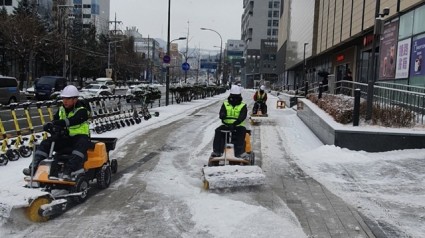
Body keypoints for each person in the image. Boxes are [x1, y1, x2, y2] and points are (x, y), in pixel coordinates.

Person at [23, 85, 91, 180]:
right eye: (63, 98)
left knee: (80, 146)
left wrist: (59, 123)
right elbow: (55, 120)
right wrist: (50, 125)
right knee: (47, 142)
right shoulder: (61, 109)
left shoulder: (82, 110)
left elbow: (73, 120)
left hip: (80, 137)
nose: (65, 101)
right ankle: (34, 166)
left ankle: (69, 170)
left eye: (68, 98)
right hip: (65, 138)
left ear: (75, 99)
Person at [211, 85, 248, 159]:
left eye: (236, 97)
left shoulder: (243, 105)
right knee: (218, 131)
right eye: (233, 96)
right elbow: (222, 113)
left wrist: (235, 123)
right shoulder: (225, 104)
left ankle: (239, 153)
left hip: (238, 125)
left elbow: (242, 116)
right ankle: (217, 151)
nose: (234, 99)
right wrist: (223, 116)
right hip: (226, 125)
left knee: (242, 132)